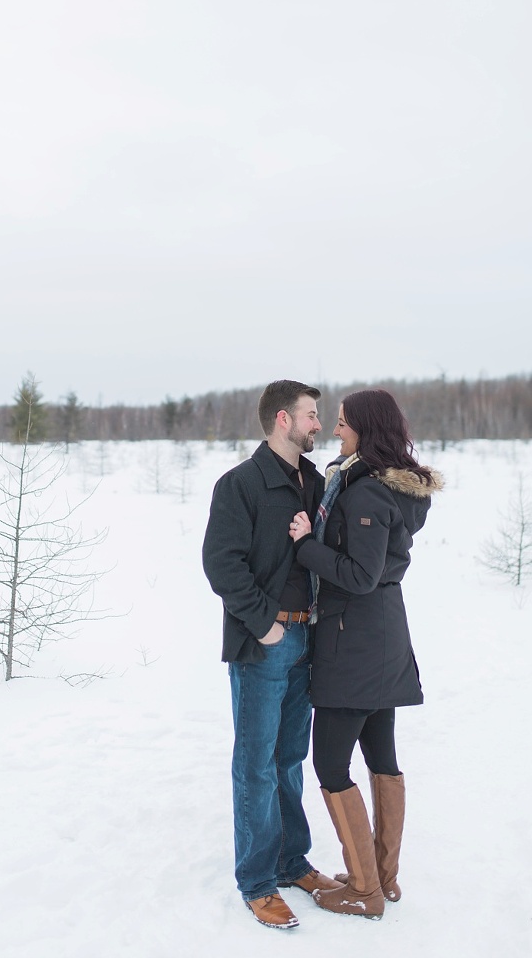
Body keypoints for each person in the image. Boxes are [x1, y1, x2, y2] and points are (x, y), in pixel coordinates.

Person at [289, 388, 443, 919]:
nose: (335, 431)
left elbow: (360, 575)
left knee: (330, 763)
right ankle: (381, 876)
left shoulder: (366, 494)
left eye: (342, 423)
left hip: (354, 641)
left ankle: (363, 888)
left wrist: (307, 546)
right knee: (381, 757)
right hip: (381, 635)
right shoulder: (378, 487)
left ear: (365, 428)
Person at [202, 380, 339, 930]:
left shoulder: (317, 482)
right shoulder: (240, 485)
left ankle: (290, 860)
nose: (318, 425)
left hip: (308, 642)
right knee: (255, 764)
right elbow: (221, 565)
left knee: (288, 760)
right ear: (283, 419)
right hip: (264, 646)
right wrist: (263, 626)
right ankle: (257, 881)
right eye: (311, 415)